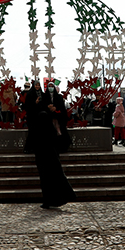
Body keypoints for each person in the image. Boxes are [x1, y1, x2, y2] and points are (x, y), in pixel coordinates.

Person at [28, 79, 75, 208]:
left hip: (44, 161)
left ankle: (49, 201)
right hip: (52, 160)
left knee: (46, 181)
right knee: (56, 178)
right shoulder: (50, 132)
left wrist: (56, 110)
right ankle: (59, 198)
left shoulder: (39, 133)